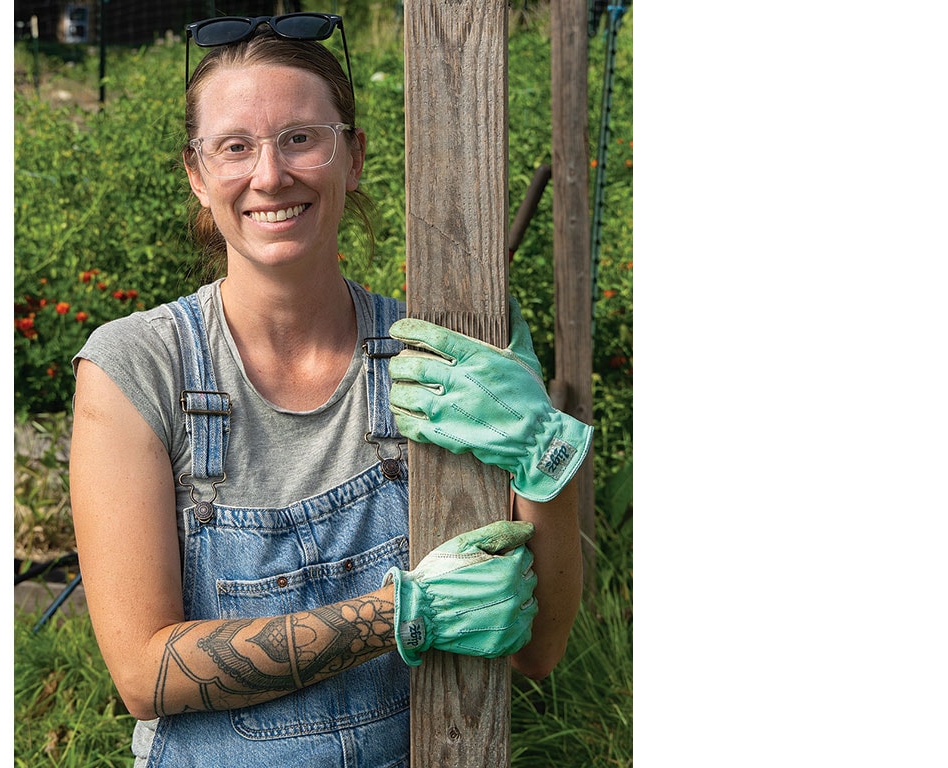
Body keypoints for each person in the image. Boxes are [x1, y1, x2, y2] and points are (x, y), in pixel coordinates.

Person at [68, 13, 593, 767]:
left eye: (300, 138)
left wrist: (544, 459)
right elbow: (145, 672)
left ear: (353, 157)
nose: (270, 175)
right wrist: (396, 614)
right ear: (197, 174)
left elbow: (536, 652)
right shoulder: (140, 367)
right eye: (235, 146)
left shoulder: (433, 363)